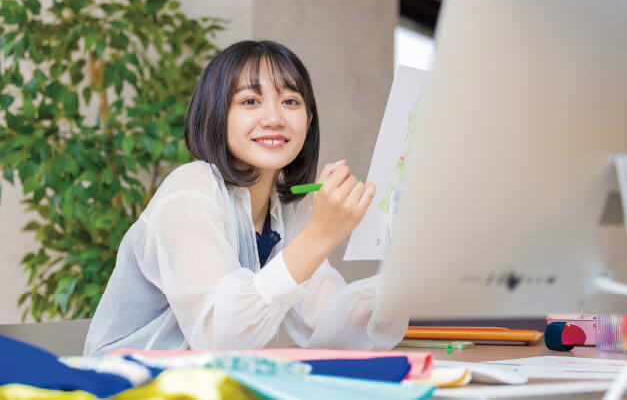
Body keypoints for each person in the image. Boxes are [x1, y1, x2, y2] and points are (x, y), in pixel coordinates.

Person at [84, 40, 409, 354]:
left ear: (309, 121)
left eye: (291, 102)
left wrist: (410, 277)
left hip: (212, 381)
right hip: (131, 380)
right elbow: (219, 337)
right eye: (250, 101)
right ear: (216, 114)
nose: (274, 118)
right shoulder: (191, 188)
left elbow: (330, 323)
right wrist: (320, 235)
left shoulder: (289, 209)